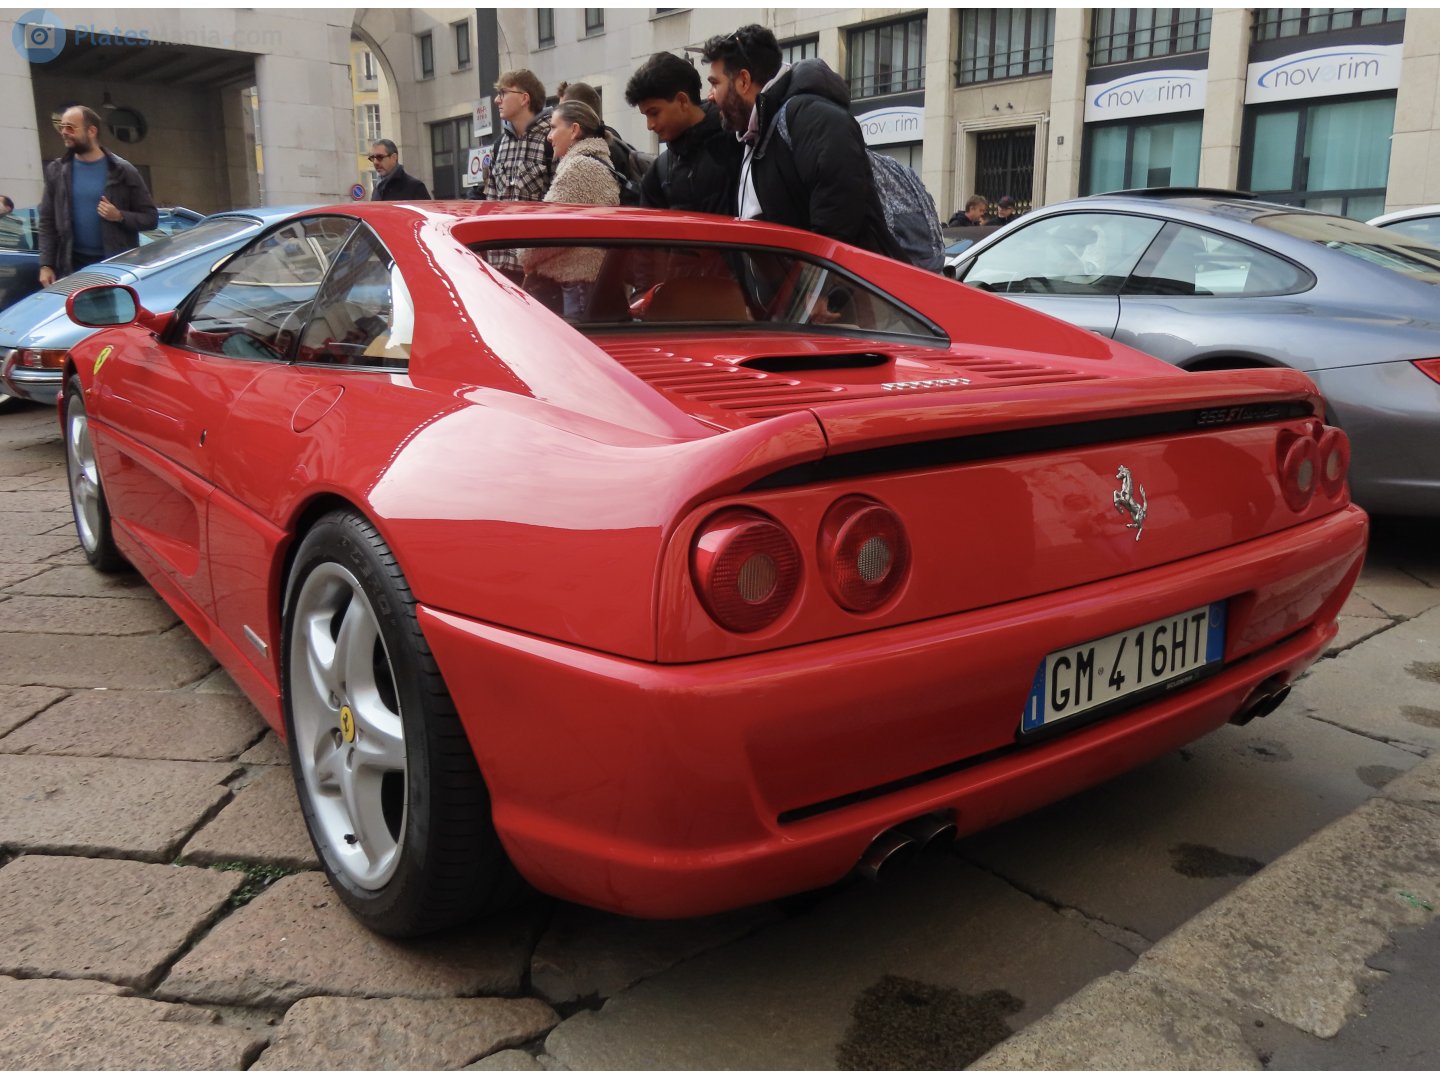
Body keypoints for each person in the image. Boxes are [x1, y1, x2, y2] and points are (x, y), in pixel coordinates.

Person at [700, 24, 902, 259]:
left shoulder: (809, 118)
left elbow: (837, 221)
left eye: (715, 83)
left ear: (743, 81)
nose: (710, 95)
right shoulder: (757, 133)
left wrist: (816, 292)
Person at [521, 101, 620, 318]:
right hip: (581, 283)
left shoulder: (580, 167)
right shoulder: (596, 163)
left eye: (554, 127)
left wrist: (524, 254)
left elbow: (549, 230)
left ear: (574, 130)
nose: (549, 136)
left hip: (575, 285)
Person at [38, 105, 157, 285]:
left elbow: (150, 218)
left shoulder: (123, 170)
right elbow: (47, 221)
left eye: (70, 127)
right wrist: (46, 265)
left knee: (112, 314)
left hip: (114, 267)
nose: (64, 132)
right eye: (61, 127)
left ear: (91, 131)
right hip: (72, 268)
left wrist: (119, 216)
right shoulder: (57, 170)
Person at [624, 51, 742, 216]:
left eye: (654, 113)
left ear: (682, 101)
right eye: (646, 115)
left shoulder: (739, 140)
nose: (650, 125)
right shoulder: (657, 173)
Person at [557, 80, 648, 187]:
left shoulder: (599, 153)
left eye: (562, 111)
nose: (557, 116)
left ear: (581, 112)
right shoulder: (606, 142)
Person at [484, 69, 554, 203]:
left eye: (503, 93)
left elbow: (562, 203)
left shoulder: (552, 140)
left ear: (524, 98)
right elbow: (491, 202)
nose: (497, 100)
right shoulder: (498, 146)